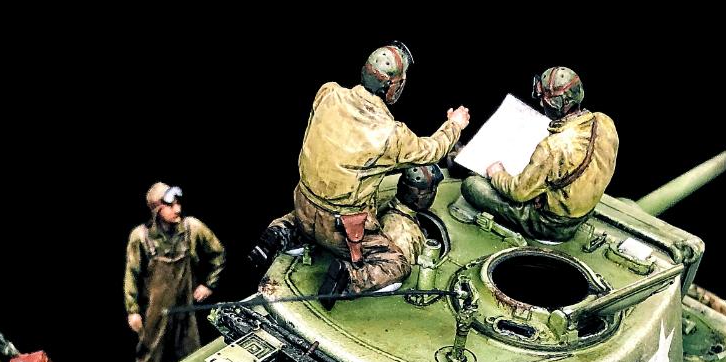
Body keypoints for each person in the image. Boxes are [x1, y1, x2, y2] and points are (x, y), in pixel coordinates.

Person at [250, 43, 469, 301]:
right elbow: (431, 150)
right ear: (394, 87)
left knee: (311, 214)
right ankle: (348, 278)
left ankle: (283, 231)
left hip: (303, 207)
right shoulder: (390, 134)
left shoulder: (328, 92)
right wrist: (454, 125)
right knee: (396, 265)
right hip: (342, 232)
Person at [462, 66, 618, 242]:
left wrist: (497, 174)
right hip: (582, 213)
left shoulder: (553, 147)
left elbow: (518, 192)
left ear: (555, 104)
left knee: (472, 185)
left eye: (544, 98)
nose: (542, 103)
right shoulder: (605, 122)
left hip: (550, 225)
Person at [125, 183, 226, 362]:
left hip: (186, 308)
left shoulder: (192, 228)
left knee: (192, 358)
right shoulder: (141, 238)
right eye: (170, 205)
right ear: (157, 210)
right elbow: (132, 274)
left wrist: (209, 285)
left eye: (178, 203)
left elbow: (218, 254)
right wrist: (133, 310)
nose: (177, 209)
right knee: (149, 360)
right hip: (156, 312)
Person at [380, 163, 444, 270]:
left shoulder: (390, 206)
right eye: (429, 192)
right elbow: (408, 271)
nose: (433, 194)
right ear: (416, 196)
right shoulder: (403, 235)